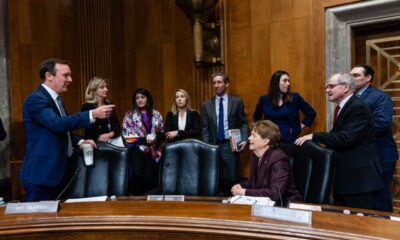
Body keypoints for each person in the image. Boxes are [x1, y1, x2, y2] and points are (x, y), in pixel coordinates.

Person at [19, 58, 115, 201]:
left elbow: (62, 132)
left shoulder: (57, 100)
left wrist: (80, 141)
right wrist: (92, 114)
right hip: (42, 174)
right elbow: (56, 124)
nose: (70, 79)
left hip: (59, 173)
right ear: (48, 76)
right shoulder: (35, 99)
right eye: (65, 75)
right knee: (37, 220)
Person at [295, 73, 382, 210]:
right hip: (345, 178)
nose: (327, 90)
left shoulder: (358, 107)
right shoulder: (344, 107)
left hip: (358, 180)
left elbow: (346, 138)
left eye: (331, 86)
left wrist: (315, 136)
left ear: (345, 87)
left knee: (359, 224)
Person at [350, 64, 398, 212]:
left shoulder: (380, 97)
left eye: (356, 75)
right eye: (350, 75)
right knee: (363, 201)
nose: (351, 78)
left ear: (368, 78)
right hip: (361, 157)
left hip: (380, 156)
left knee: (380, 200)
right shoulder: (350, 98)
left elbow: (382, 124)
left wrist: (351, 133)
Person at [231, 120, 301, 206]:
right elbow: (255, 183)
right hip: (266, 205)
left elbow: (275, 193)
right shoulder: (255, 155)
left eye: (253, 135)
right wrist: (241, 186)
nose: (249, 138)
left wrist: (244, 192)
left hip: (286, 206)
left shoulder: (279, 159)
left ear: (266, 141)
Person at [202, 72, 249, 196]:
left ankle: (232, 204)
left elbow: (243, 123)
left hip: (230, 145)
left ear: (226, 84)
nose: (216, 85)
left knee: (231, 178)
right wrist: (207, 147)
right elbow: (205, 129)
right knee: (214, 178)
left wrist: (244, 139)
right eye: (214, 83)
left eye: (219, 82)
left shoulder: (237, 102)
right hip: (213, 146)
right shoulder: (207, 105)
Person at [253, 70, 316, 144]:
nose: (288, 84)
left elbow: (311, 113)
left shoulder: (295, 98)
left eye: (288, 81)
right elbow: (256, 118)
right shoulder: (264, 100)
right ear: (276, 83)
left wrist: (299, 127)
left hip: (290, 140)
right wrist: (262, 131)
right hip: (270, 140)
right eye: (285, 81)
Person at [122, 88, 163, 195]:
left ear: (148, 99)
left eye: (142, 97)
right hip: (137, 152)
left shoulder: (157, 114)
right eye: (137, 98)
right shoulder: (129, 115)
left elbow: (161, 133)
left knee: (152, 183)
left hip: (154, 152)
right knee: (139, 182)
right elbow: (127, 136)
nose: (140, 100)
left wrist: (155, 138)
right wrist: (145, 140)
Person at [81, 76, 121, 142]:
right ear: (94, 90)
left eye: (106, 87)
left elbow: (117, 126)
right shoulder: (87, 106)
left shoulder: (109, 104)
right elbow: (90, 130)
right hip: (95, 143)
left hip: (113, 141)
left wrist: (110, 134)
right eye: (102, 87)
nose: (106, 89)